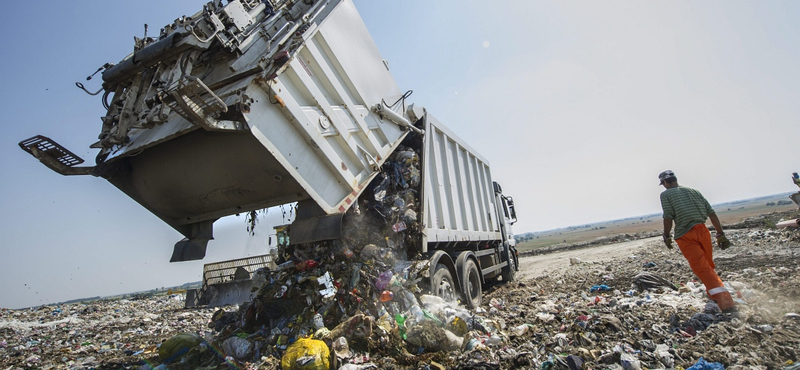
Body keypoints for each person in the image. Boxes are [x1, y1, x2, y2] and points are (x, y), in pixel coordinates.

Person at [658, 170, 736, 315]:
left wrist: (666, 235)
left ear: (665, 182)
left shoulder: (666, 194)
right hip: (703, 231)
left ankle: (726, 303)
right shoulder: (694, 191)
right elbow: (711, 213)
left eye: (663, 184)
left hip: (686, 234)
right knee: (708, 265)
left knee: (702, 268)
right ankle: (714, 296)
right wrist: (720, 233)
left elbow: (668, 216)